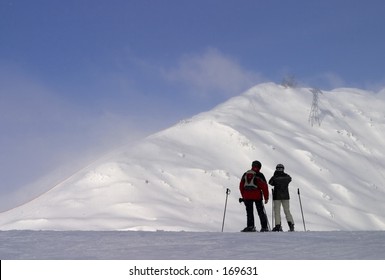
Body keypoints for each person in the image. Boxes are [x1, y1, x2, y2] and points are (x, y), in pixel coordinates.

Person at [239, 160, 269, 232]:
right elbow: (264, 187)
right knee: (260, 212)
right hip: (257, 196)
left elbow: (241, 186)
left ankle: (250, 227)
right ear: (259, 167)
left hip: (247, 196)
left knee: (249, 212)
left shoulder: (246, 174)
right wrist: (266, 198)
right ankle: (264, 227)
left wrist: (244, 196)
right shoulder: (260, 175)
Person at [268, 164, 295, 232]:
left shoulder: (275, 177)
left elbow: (270, 182)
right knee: (287, 211)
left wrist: (275, 174)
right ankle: (291, 225)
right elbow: (290, 179)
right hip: (286, 196)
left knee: (277, 212)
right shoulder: (287, 177)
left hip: (277, 196)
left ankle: (278, 226)